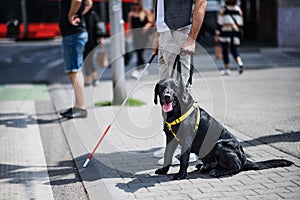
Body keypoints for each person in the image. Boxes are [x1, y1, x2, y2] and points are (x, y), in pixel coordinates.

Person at [151, 0, 207, 165]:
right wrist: (157, 35)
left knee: (180, 95)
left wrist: (191, 38)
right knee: (165, 96)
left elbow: (200, 3)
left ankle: (186, 150)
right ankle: (171, 145)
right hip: (164, 33)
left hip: (179, 32)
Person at [58, 0, 92, 118]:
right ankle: (78, 106)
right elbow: (88, 3)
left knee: (74, 70)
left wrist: (71, 15)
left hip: (73, 34)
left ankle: (81, 107)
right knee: (75, 71)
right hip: (75, 34)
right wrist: (79, 14)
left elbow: (77, 0)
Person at [215, 0, 244, 76]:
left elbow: (220, 23)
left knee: (225, 51)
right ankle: (239, 62)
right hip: (235, 33)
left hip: (225, 32)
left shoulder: (223, 9)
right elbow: (241, 23)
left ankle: (227, 69)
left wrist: (217, 34)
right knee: (234, 49)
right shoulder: (238, 9)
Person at [127, 0, 154, 79]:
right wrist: (127, 36)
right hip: (136, 35)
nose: (135, 6)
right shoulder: (131, 14)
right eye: (134, 4)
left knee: (140, 51)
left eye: (137, 4)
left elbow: (151, 21)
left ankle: (138, 69)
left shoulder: (145, 11)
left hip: (144, 35)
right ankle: (142, 69)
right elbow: (130, 25)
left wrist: (147, 26)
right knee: (138, 52)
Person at [83, 7, 104, 87]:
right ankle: (92, 79)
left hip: (92, 41)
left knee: (89, 59)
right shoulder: (81, 14)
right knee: (86, 60)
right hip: (83, 41)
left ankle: (92, 79)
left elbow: (98, 26)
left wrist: (101, 37)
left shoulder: (93, 14)